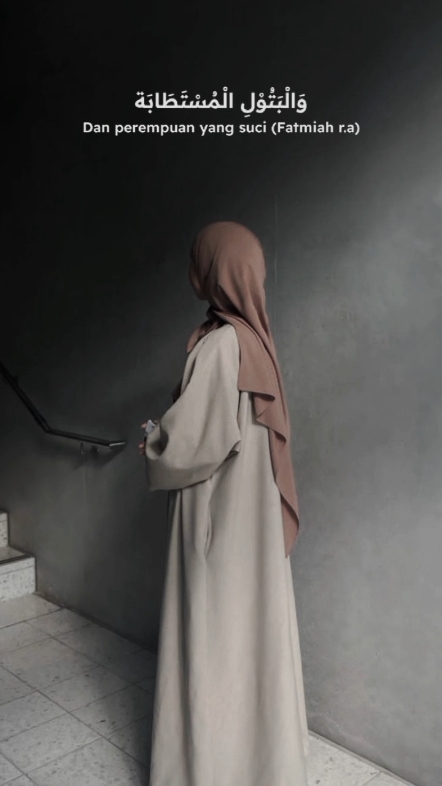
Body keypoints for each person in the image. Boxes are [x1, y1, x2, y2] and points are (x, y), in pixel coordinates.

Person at [139, 221, 309, 786]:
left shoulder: (220, 346)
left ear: (212, 271)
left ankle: (207, 768)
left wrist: (153, 440)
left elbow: (190, 445)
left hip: (215, 519)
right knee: (248, 636)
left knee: (212, 637)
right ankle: (259, 764)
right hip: (249, 524)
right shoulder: (257, 342)